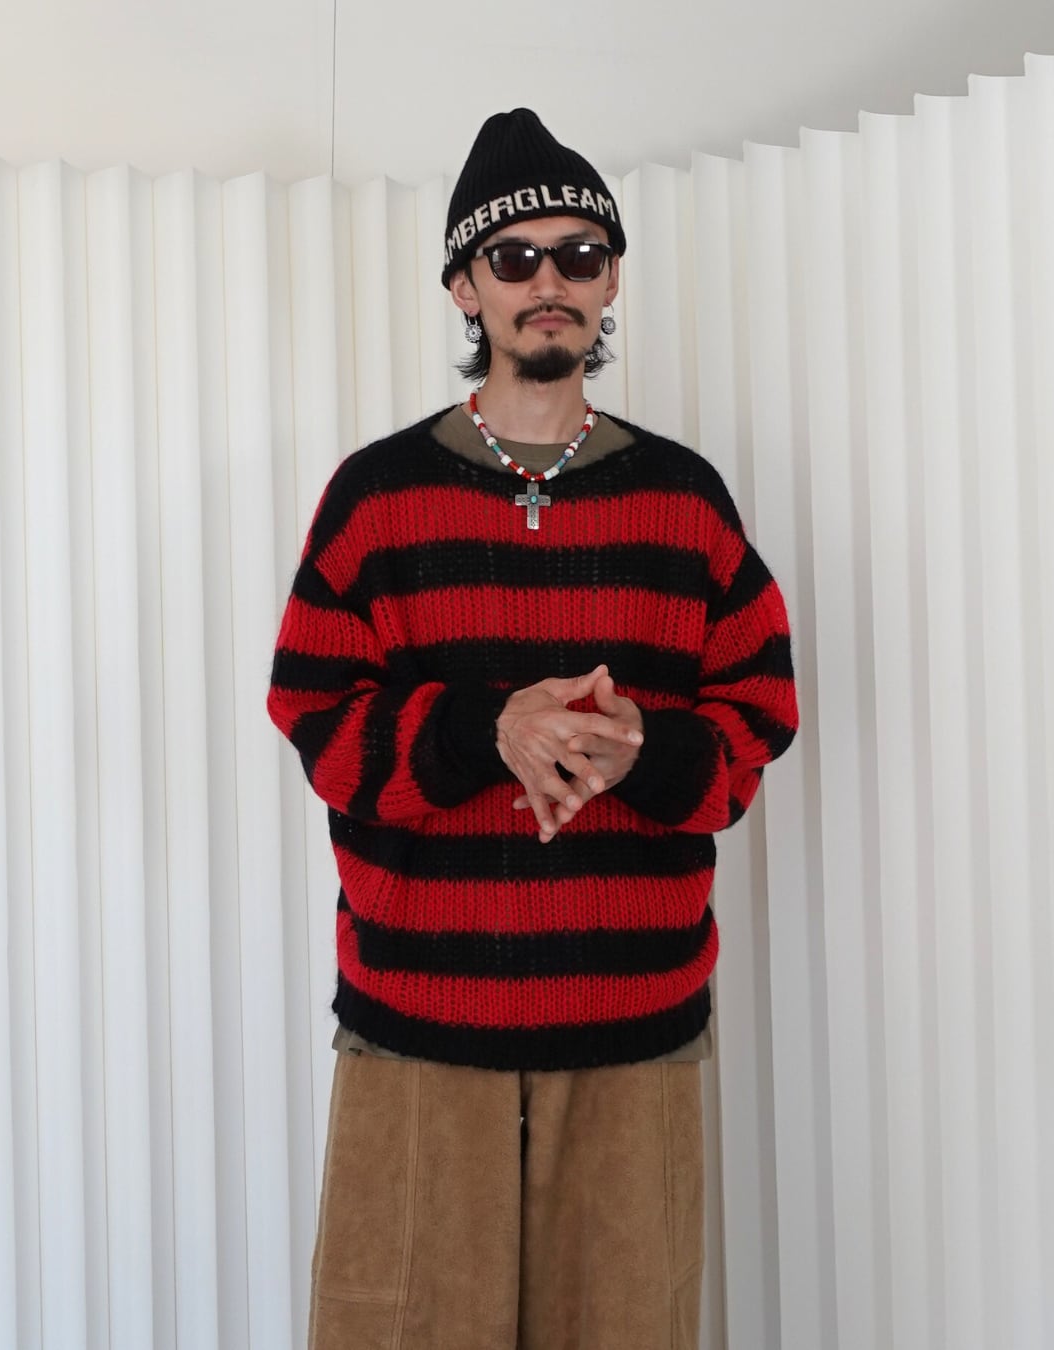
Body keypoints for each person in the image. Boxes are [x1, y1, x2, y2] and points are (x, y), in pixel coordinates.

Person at [268, 107, 798, 1350]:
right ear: (467, 286)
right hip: (418, 1025)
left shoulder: (685, 501)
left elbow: (757, 718)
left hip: (635, 1031)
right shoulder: (378, 497)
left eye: (579, 255)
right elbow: (314, 712)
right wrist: (480, 732)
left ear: (611, 281)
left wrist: (646, 749)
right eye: (515, 258)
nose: (548, 282)